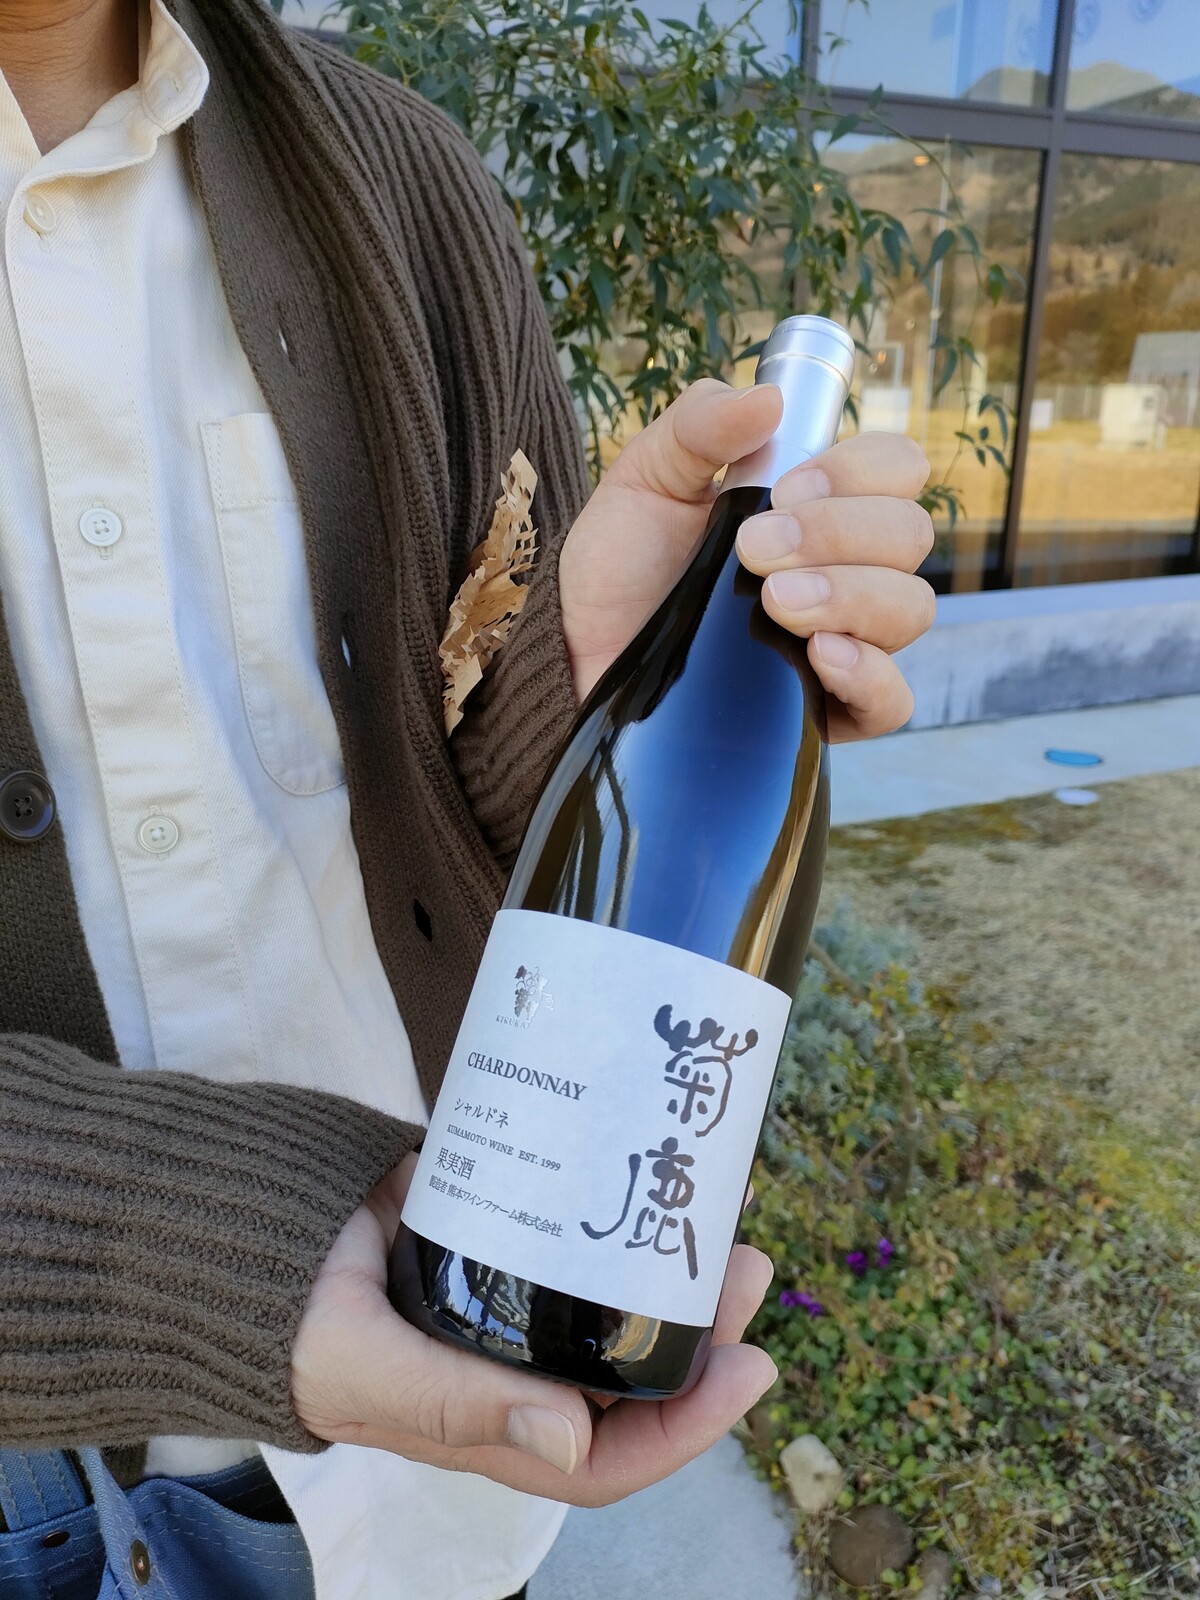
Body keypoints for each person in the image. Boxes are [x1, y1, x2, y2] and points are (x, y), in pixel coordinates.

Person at [0, 0, 937, 1594]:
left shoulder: (399, 183)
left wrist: (573, 690)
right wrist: (195, 1261)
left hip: (439, 1412)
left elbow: (490, 801)